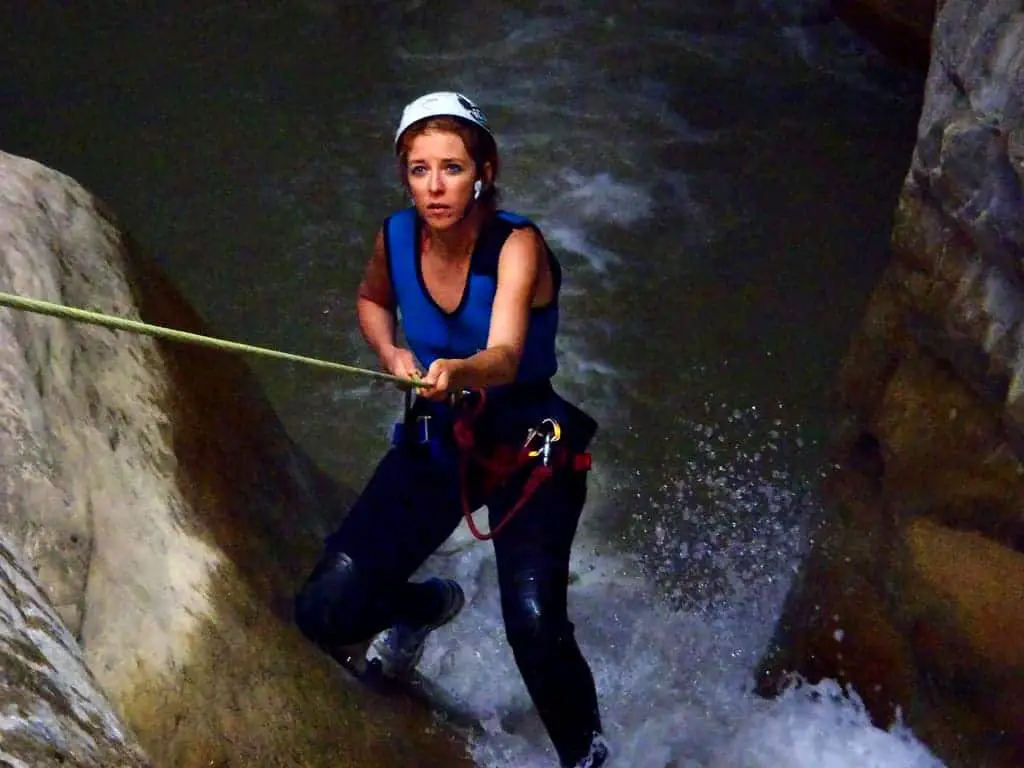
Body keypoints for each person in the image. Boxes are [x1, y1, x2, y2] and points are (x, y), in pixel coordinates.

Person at [294, 91, 608, 768]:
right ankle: (421, 605)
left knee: (533, 625)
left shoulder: (517, 245)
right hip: (442, 431)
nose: (435, 187)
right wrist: (393, 354)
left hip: (532, 440)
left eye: (452, 168)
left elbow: (506, 356)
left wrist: (461, 368)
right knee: (324, 611)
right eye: (419, 169)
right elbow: (373, 298)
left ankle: (588, 758)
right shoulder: (396, 235)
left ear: (483, 171)